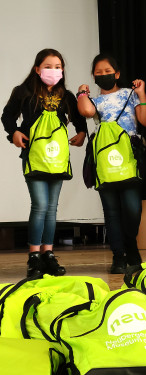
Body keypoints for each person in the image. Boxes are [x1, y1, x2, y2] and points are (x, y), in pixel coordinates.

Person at [1, 48, 87, 277]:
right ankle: (34, 257)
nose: (53, 70)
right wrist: (14, 134)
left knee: (51, 208)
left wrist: (81, 133)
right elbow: (7, 115)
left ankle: (48, 254)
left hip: (57, 158)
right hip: (34, 156)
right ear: (37, 69)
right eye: (48, 66)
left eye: (58, 67)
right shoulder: (23, 92)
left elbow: (79, 120)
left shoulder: (67, 96)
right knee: (40, 205)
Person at [77, 53, 146, 274]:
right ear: (93, 76)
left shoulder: (129, 94)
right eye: (98, 73)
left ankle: (131, 246)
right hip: (105, 160)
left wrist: (142, 93)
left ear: (117, 73)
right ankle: (119, 256)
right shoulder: (94, 101)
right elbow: (87, 111)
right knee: (111, 212)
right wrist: (82, 92)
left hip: (129, 157)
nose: (103, 75)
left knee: (132, 209)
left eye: (107, 72)